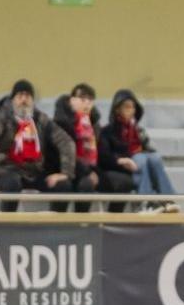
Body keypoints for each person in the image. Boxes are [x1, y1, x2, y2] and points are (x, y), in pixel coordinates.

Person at [0, 80, 77, 212]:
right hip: (4, 169)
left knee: (63, 185)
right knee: (12, 183)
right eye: (20, 96)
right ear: (13, 100)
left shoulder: (41, 119)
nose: (24, 100)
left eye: (28, 96)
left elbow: (66, 141)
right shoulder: (2, 116)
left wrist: (66, 173)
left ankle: (56, 226)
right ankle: (6, 226)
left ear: (33, 101)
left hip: (32, 172)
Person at [53, 83, 136, 213]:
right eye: (82, 99)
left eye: (90, 100)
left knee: (124, 182)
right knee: (85, 184)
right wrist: (87, 172)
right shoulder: (61, 123)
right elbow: (63, 154)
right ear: (72, 100)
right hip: (67, 170)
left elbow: (102, 153)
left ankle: (113, 223)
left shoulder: (94, 124)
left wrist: (118, 161)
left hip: (91, 169)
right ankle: (78, 225)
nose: (87, 103)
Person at [101, 89, 180, 213]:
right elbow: (104, 156)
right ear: (117, 109)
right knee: (141, 158)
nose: (131, 111)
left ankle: (167, 199)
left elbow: (147, 149)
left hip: (139, 164)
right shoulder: (107, 131)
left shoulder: (139, 131)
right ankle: (144, 202)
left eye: (133, 107)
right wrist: (119, 160)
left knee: (155, 158)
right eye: (127, 107)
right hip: (121, 166)